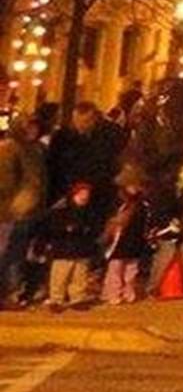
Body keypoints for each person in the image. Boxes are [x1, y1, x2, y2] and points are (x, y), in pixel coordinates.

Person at [0, 106, 50, 307]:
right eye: (28, 126)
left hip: (29, 212)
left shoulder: (36, 149)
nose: (33, 130)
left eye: (35, 126)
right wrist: (14, 203)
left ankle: (12, 292)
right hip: (9, 212)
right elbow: (5, 181)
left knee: (18, 254)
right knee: (6, 253)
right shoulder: (10, 148)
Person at [38, 181, 99, 310]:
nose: (85, 196)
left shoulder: (89, 212)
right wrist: (66, 228)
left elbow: (94, 228)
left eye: (87, 193)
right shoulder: (61, 210)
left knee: (79, 276)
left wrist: (88, 232)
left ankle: (77, 299)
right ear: (74, 194)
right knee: (60, 276)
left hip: (81, 249)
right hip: (63, 249)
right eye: (82, 193)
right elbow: (51, 227)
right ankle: (56, 300)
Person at [100, 168, 152, 305]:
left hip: (135, 241)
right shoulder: (119, 202)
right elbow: (111, 221)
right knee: (116, 270)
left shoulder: (142, 204)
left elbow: (145, 222)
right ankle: (113, 293)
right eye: (131, 185)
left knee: (131, 271)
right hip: (118, 241)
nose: (134, 188)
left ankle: (129, 293)